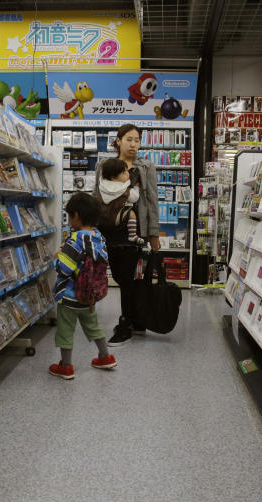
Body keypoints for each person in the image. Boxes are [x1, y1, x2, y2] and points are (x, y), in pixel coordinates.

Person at [94, 124, 159, 346]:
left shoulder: (146, 167)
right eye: (129, 139)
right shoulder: (104, 164)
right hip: (110, 230)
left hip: (134, 231)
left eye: (137, 140)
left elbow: (151, 201)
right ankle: (135, 319)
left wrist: (153, 233)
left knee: (129, 278)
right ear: (118, 141)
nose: (133, 144)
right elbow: (98, 195)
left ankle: (126, 323)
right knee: (123, 278)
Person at [50, 193, 116, 380]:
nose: (69, 219)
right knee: (93, 325)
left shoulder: (75, 239)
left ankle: (66, 366)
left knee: (65, 330)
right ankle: (105, 357)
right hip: (90, 296)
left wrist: (57, 257)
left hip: (70, 295)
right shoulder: (99, 238)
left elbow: (64, 269)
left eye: (70, 216)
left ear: (76, 216)